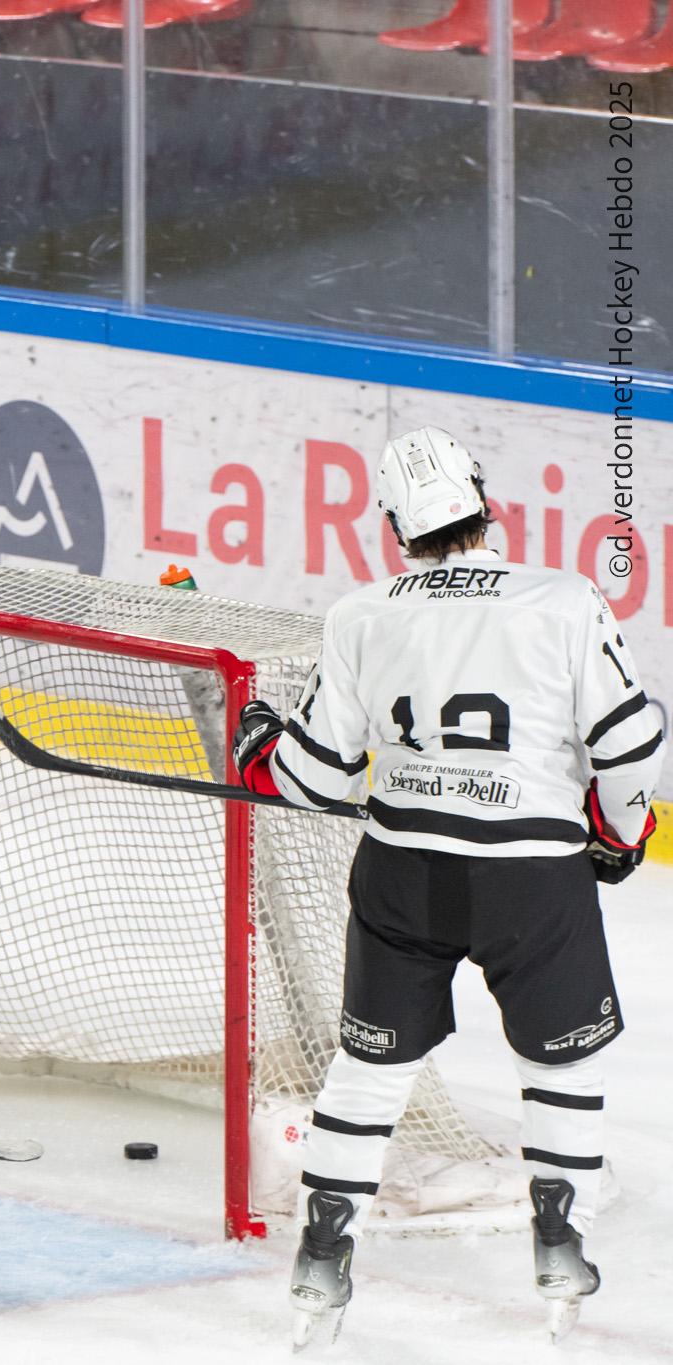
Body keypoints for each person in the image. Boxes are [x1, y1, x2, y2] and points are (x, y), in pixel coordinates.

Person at [230, 428, 661, 1348]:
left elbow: (312, 778)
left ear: (396, 527)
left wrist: (259, 742)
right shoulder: (563, 598)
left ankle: (321, 1256)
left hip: (404, 875)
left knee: (367, 1073)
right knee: (561, 1067)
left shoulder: (362, 613)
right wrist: (620, 833)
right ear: (484, 501)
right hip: (532, 879)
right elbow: (631, 744)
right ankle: (560, 1240)